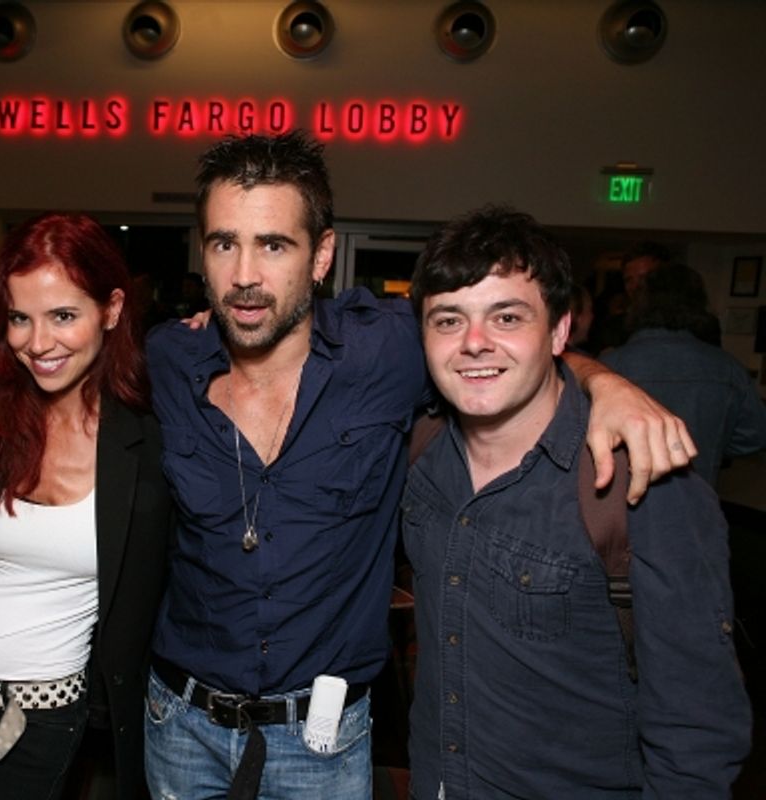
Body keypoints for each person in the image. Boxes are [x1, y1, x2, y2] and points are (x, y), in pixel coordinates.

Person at [141, 131, 696, 800]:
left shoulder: (390, 348)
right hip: (178, 723)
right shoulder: (169, 358)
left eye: (274, 245)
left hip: (319, 742)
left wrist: (605, 381)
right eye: (224, 243)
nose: (245, 275)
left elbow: (500, 347)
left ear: (321, 256)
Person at [403, 204, 751, 797]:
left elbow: (697, 734)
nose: (475, 343)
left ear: (560, 330)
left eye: (507, 316)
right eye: (448, 320)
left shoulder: (645, 487)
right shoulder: (420, 454)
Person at [0, 212, 171, 799]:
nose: (38, 343)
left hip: (37, 717)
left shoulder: (146, 438)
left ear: (112, 310)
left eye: (63, 316)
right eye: (20, 318)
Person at [602, 262, 766, 485]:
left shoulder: (608, 366)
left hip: (622, 501)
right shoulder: (727, 368)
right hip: (697, 499)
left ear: (641, 304)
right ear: (697, 306)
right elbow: (754, 435)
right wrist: (710, 442)